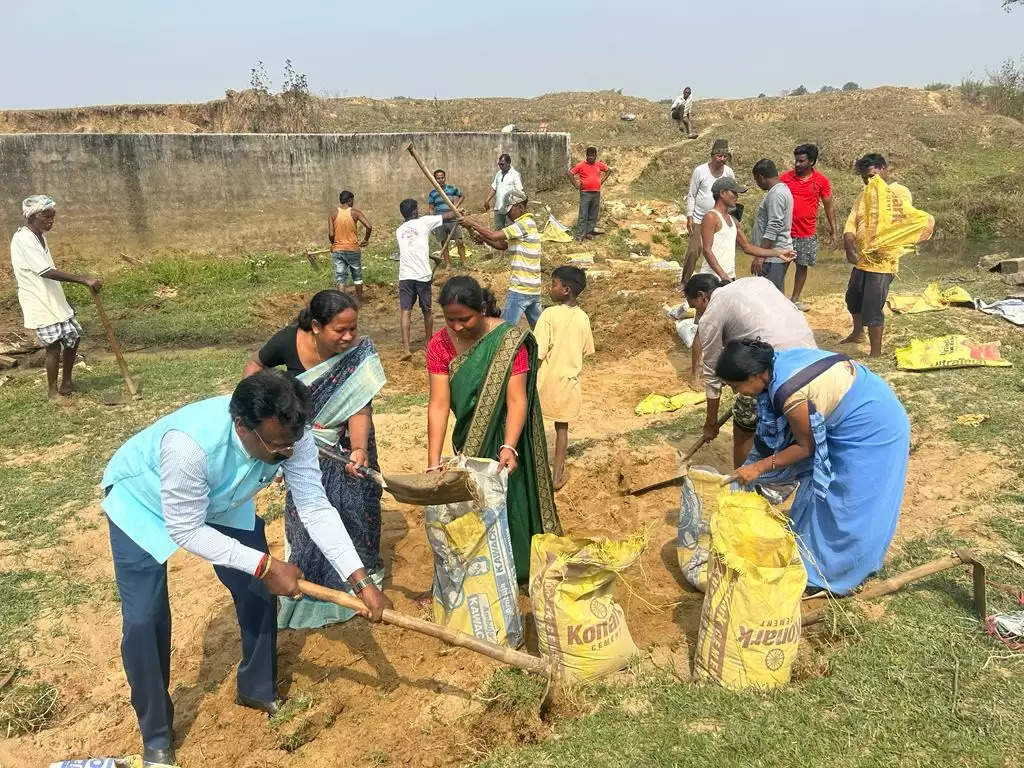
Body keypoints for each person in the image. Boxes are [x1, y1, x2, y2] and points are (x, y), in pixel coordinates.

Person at [101, 370, 391, 766]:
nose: (285, 455)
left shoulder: (292, 435)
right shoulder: (190, 447)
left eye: (291, 445)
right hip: (143, 502)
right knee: (144, 619)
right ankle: (156, 732)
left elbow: (313, 505)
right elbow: (186, 529)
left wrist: (359, 580)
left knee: (258, 591)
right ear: (241, 425)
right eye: (276, 447)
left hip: (225, 499)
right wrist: (265, 563)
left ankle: (257, 687)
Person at [715, 339, 910, 595]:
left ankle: (834, 576)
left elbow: (806, 449)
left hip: (871, 427)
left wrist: (760, 467)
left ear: (757, 375)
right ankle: (814, 558)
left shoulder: (789, 394)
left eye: (736, 386)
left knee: (849, 502)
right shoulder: (776, 365)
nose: (737, 393)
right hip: (856, 407)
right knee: (822, 499)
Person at [243, 289, 388, 630]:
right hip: (300, 441)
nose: (349, 336)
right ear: (316, 326)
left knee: (357, 506)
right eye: (341, 330)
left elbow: (358, 405)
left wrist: (359, 448)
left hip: (350, 441)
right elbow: (255, 365)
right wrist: (256, 406)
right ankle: (312, 582)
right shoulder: (287, 342)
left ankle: (360, 577)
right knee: (309, 512)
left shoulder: (356, 352)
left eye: (353, 328)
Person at [425, 276, 561, 581]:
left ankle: (515, 571)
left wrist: (509, 445)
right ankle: (480, 574)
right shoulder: (439, 344)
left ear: (482, 309)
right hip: (470, 437)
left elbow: (516, 399)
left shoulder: (508, 341)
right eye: (450, 320)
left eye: (465, 319)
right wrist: (433, 462)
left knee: (510, 500)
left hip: (505, 436)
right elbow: (438, 404)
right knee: (472, 504)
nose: (457, 327)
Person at [684, 274, 815, 468]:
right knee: (790, 422)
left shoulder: (711, 314)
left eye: (695, 307)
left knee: (745, 423)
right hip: (812, 356)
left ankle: (741, 482)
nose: (698, 315)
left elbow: (712, 374)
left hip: (775, 366)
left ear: (703, 296)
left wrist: (711, 423)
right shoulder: (758, 281)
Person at [841, 153, 934, 357]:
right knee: (852, 298)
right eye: (865, 178)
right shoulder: (863, 195)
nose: (869, 181)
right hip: (863, 259)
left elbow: (900, 220)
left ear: (884, 169)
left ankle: (875, 353)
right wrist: (849, 245)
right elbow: (852, 221)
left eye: (873, 175)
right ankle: (857, 334)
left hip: (883, 261)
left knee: (873, 307)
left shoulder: (898, 192)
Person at [9, 195, 100, 401]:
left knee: (73, 337)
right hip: (38, 300)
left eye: (52, 217)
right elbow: (46, 271)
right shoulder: (23, 239)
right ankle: (53, 392)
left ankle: (67, 383)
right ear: (32, 216)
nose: (50, 221)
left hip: (53, 298)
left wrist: (64, 298)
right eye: (46, 217)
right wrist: (84, 279)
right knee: (53, 347)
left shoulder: (39, 235)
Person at [534, 266, 595, 490]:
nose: (550, 289)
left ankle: (533, 470)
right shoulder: (583, 318)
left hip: (545, 383)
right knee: (562, 429)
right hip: (569, 384)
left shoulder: (549, 315)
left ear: (566, 289)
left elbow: (538, 352)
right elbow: (587, 350)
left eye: (554, 284)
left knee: (533, 424)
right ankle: (557, 476)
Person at [461, 190, 542, 329]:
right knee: (540, 329)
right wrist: (482, 237)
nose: (508, 214)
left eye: (511, 210)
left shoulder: (523, 224)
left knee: (503, 331)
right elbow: (501, 245)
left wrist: (472, 222)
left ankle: (501, 350)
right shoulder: (525, 226)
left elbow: (493, 236)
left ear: (521, 207)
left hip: (520, 288)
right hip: (533, 288)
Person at [394, 198, 459, 360]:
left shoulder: (399, 230)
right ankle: (428, 343)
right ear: (415, 211)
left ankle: (406, 349)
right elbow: (449, 215)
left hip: (405, 276)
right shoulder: (424, 222)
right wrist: (459, 211)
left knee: (405, 311)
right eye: (417, 208)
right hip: (422, 275)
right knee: (427, 311)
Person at [780, 144, 838, 310]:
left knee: (802, 266)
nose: (797, 164)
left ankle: (795, 299)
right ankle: (776, 298)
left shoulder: (821, 181)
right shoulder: (785, 179)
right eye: (796, 161)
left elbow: (829, 205)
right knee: (779, 267)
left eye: (801, 161)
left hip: (807, 233)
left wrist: (834, 230)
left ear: (811, 161)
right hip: (785, 233)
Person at [697, 177, 785, 281]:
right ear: (722, 193)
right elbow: (707, 250)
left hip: (729, 277)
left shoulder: (733, 220)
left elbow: (747, 247)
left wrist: (778, 253)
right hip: (712, 278)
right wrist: (723, 276)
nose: (737, 196)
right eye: (734, 193)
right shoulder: (711, 217)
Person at [682, 139, 735, 283]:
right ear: (712, 155)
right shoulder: (700, 171)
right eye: (719, 156)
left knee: (718, 252)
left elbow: (733, 192)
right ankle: (685, 282)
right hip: (700, 218)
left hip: (720, 220)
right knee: (694, 250)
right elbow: (692, 194)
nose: (721, 159)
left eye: (724, 156)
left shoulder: (729, 173)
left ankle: (719, 280)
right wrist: (689, 216)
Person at [750, 159, 795, 292]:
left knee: (772, 296)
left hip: (773, 257)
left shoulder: (776, 194)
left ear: (761, 177)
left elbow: (774, 226)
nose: (757, 184)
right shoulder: (779, 191)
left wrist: (760, 255)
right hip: (773, 254)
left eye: (756, 180)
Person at [328, 190, 372, 302]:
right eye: (353, 200)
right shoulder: (355, 213)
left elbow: (331, 234)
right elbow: (369, 226)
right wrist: (366, 239)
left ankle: (341, 302)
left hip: (338, 250)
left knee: (340, 277)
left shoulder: (333, 214)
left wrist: (334, 244)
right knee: (357, 276)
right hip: (353, 249)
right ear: (349, 200)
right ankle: (360, 299)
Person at [568, 147, 613, 240]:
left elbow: (608, 170)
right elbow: (570, 173)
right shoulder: (581, 165)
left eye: (593, 156)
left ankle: (588, 233)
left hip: (596, 193)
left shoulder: (599, 164)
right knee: (583, 214)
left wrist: (601, 181)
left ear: (596, 156)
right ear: (586, 156)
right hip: (585, 193)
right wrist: (576, 185)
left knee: (593, 214)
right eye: (589, 156)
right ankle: (580, 235)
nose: (591, 158)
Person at [427, 169, 467, 268]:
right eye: (438, 178)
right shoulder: (432, 193)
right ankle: (448, 264)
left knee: (459, 241)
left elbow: (462, 195)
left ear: (445, 178)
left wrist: (455, 207)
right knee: (444, 243)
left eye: (442, 178)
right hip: (440, 221)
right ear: (435, 180)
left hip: (453, 219)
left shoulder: (451, 188)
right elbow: (431, 209)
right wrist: (432, 223)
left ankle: (464, 262)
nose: (440, 180)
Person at [483, 153, 524, 229]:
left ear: (508, 163)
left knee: (510, 230)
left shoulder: (515, 175)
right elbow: (494, 188)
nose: (500, 166)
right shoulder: (498, 174)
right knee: (498, 230)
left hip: (510, 209)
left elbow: (519, 191)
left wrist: (515, 206)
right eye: (499, 164)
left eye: (502, 164)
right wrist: (487, 200)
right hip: (498, 208)